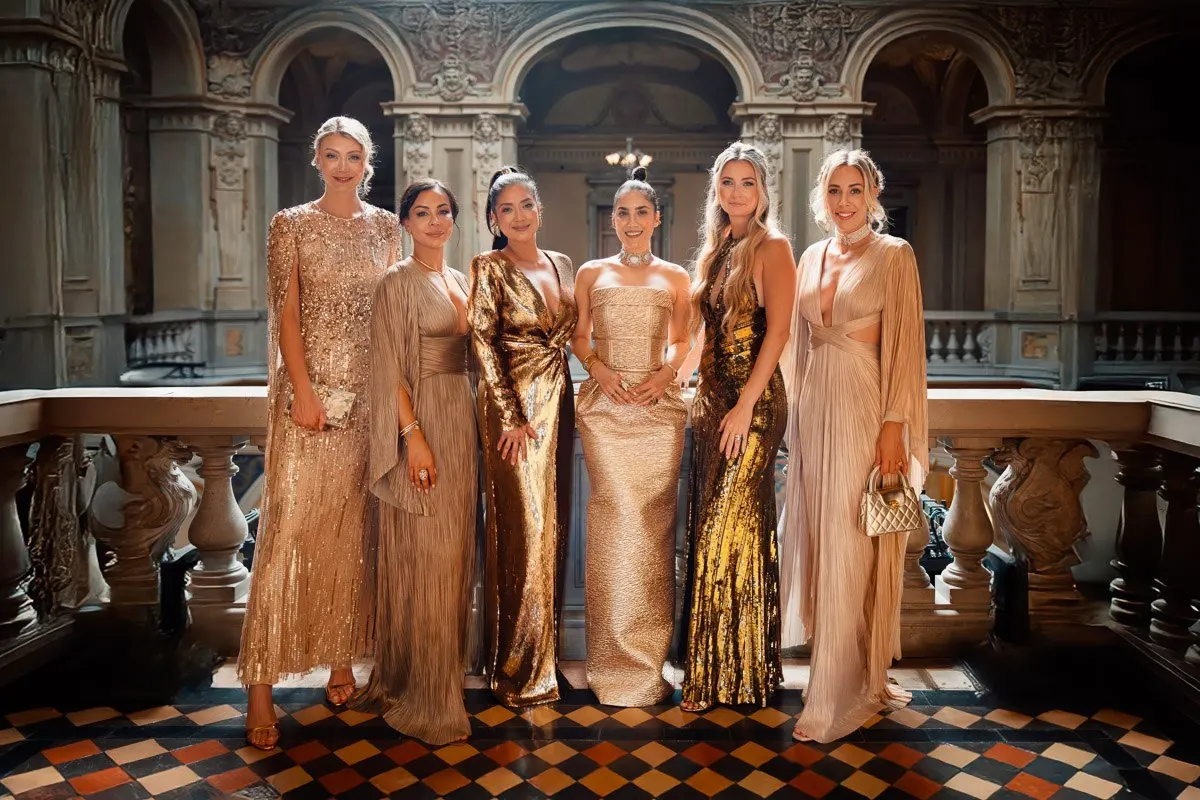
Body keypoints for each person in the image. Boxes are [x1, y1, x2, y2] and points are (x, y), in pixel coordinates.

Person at [239, 116, 399, 749]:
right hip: (309, 403)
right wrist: (302, 391)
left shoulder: (387, 227)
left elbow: (389, 314)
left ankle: (339, 658)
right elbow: (288, 317)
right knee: (290, 532)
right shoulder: (291, 225)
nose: (342, 165)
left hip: (367, 402)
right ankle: (260, 687)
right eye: (331, 155)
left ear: (367, 162)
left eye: (353, 156)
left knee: (352, 531)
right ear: (316, 159)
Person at [780, 148, 929, 743]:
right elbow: (796, 344)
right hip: (815, 410)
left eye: (856, 190)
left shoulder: (895, 255)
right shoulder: (811, 255)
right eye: (835, 191)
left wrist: (894, 424)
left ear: (873, 196)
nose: (845, 202)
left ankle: (839, 692)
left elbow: (905, 345)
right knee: (821, 539)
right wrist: (790, 416)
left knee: (851, 542)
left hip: (865, 407)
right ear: (822, 197)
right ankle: (840, 671)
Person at [350, 179, 475, 744]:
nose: (433, 221)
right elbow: (387, 368)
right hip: (422, 424)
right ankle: (422, 691)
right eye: (421, 213)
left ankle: (436, 674)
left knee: (452, 560)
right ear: (404, 223)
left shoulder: (457, 280)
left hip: (461, 420)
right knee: (427, 556)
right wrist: (413, 437)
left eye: (442, 211)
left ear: (453, 218)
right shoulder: (395, 282)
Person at [680, 142, 796, 711]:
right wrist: (676, 375)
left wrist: (747, 404)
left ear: (763, 190)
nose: (735, 192)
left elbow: (777, 333)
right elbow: (707, 331)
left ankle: (738, 672)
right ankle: (721, 667)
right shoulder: (719, 246)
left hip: (752, 403)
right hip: (712, 399)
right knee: (718, 529)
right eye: (727, 182)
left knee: (732, 526)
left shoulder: (772, 246)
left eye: (746, 182)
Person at [572, 167, 690, 706]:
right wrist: (598, 370)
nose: (633, 221)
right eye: (623, 212)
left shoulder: (676, 278)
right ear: (612, 219)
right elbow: (578, 337)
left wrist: (664, 376)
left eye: (642, 212)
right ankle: (608, 661)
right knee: (614, 520)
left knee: (652, 529)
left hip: (658, 412)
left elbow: (682, 342)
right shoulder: (591, 274)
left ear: (657, 218)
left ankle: (648, 663)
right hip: (606, 411)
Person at [469, 167, 577, 708]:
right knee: (525, 528)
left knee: (552, 526)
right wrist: (510, 415)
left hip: (559, 398)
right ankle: (516, 668)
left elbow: (574, 337)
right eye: (506, 208)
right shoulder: (489, 266)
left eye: (526, 204)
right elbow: (483, 343)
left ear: (540, 209)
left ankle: (545, 657)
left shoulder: (561, 264)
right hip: (514, 408)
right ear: (494, 219)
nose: (518, 215)